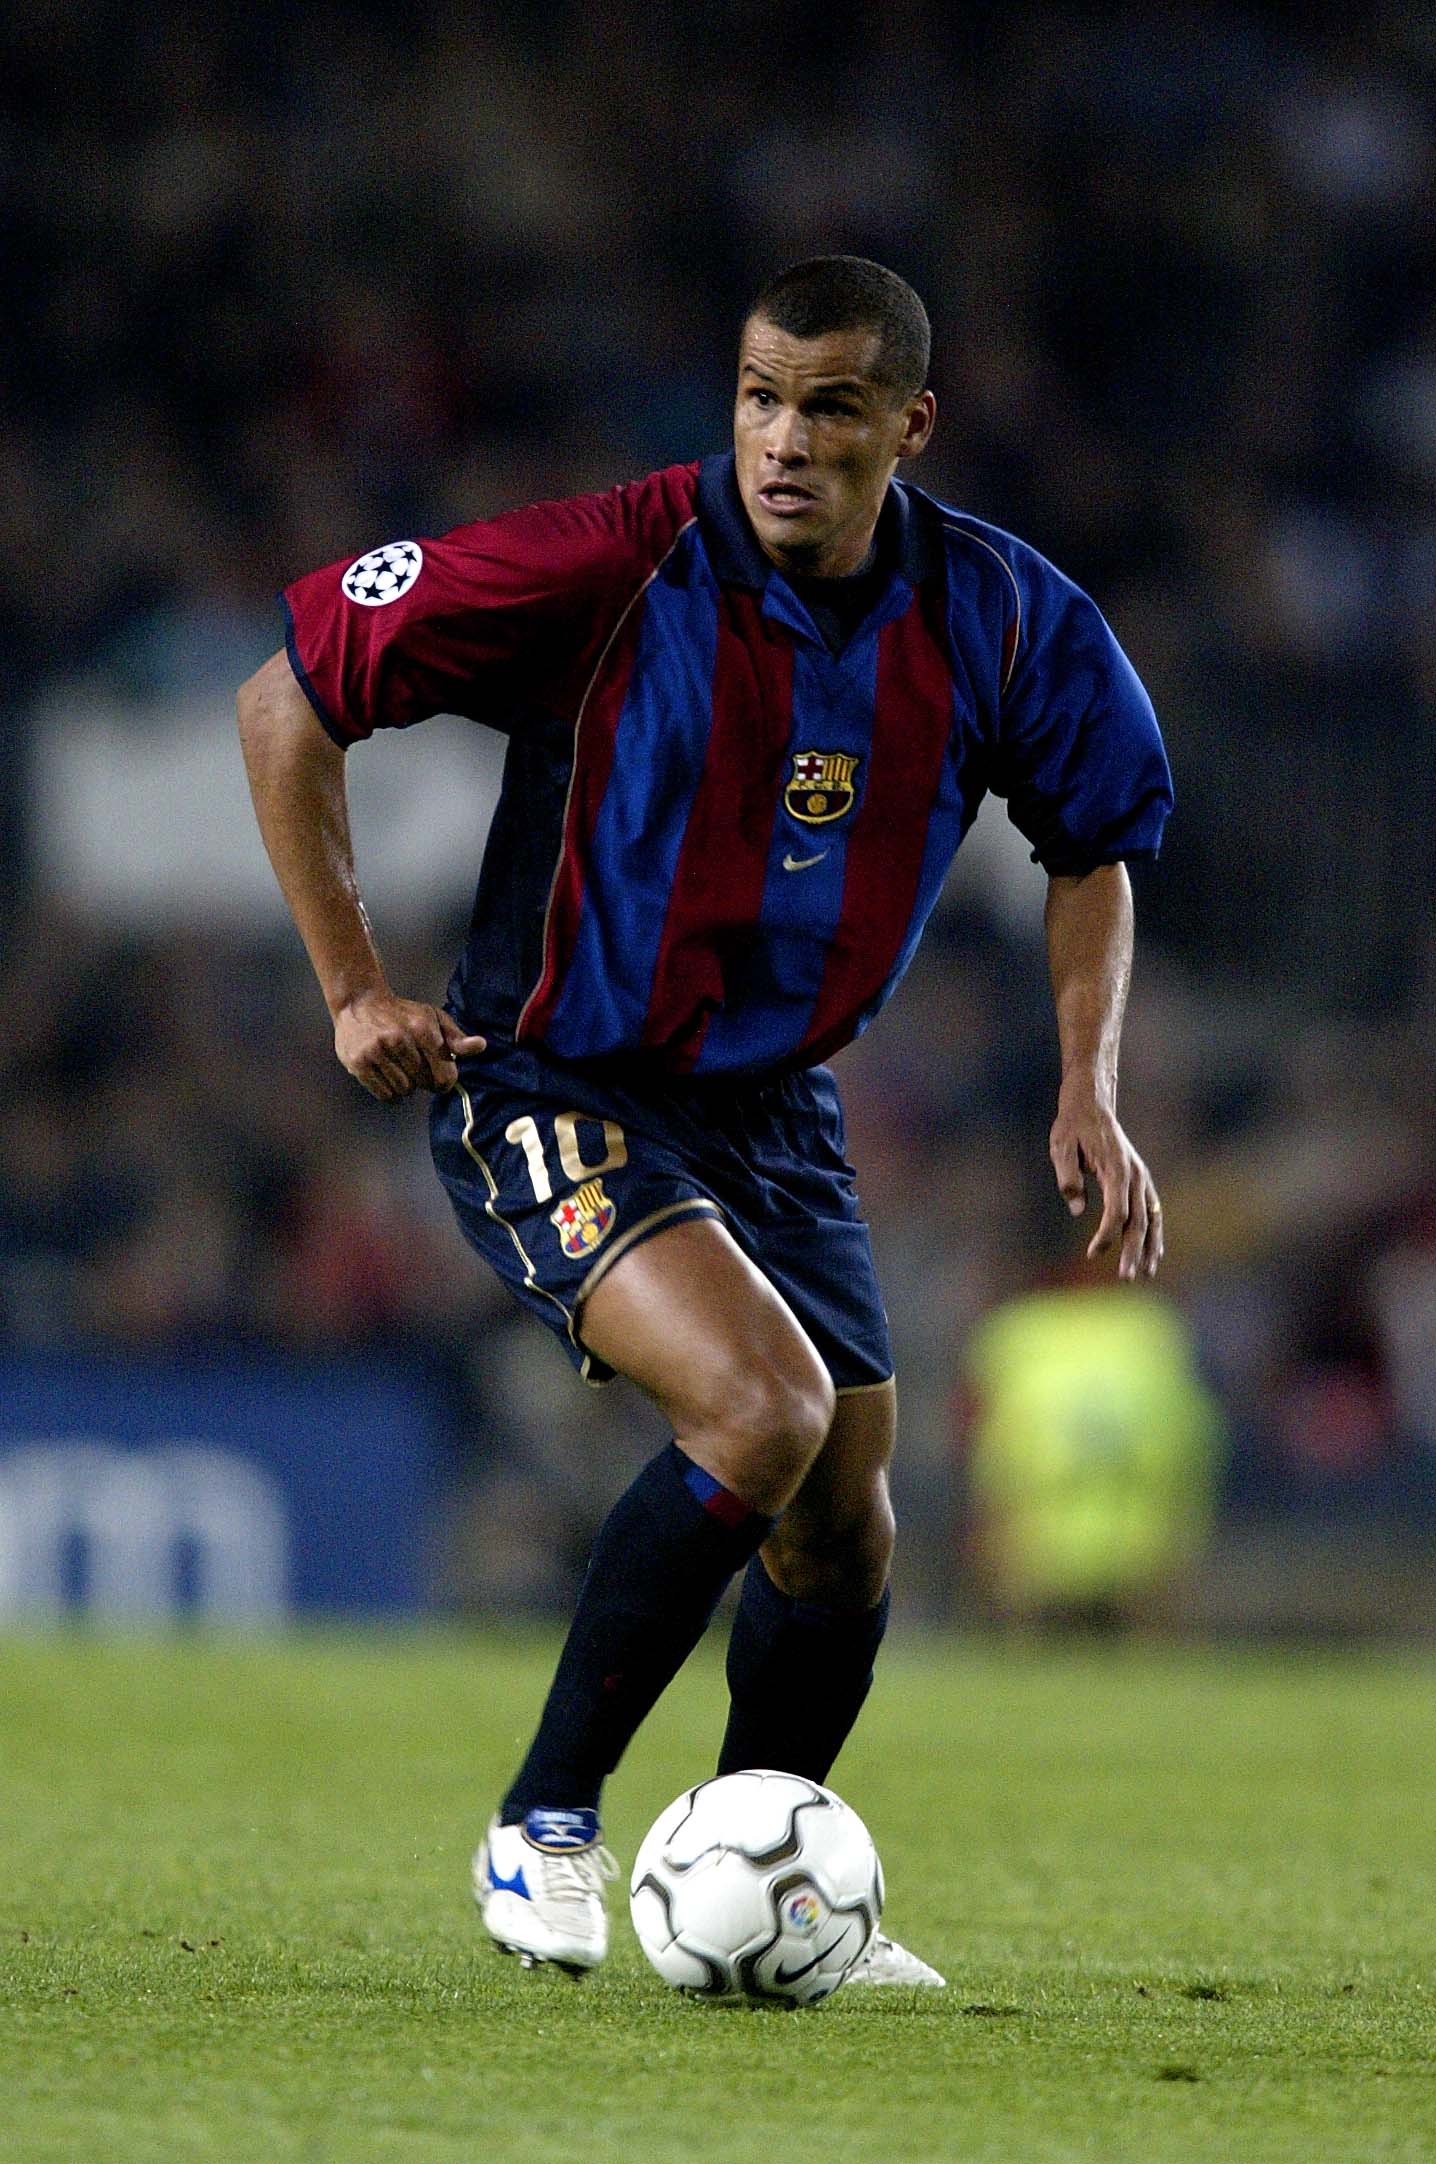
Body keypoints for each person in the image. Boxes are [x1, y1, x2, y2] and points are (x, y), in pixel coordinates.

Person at [237, 256, 1172, 1989]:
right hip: (552, 1071)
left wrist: (1088, 1086)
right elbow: (286, 695)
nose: (785, 439)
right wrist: (354, 985)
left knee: (848, 1517)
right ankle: (545, 1818)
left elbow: (1093, 840)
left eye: (829, 405)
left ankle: (768, 1875)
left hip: (772, 1109)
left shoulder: (1005, 615)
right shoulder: (606, 562)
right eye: (759, 396)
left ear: (912, 422)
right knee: (764, 1411)